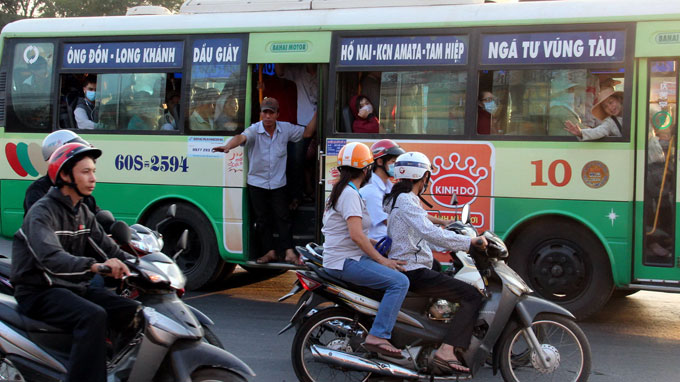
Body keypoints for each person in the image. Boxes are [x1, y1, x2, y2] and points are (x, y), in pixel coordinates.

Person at [11, 142, 140, 382]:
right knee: (92, 316)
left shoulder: (82, 212)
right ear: (65, 175)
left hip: (71, 287)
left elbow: (109, 249)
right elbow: (51, 259)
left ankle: (116, 369)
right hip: (39, 291)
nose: (93, 178)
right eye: (85, 172)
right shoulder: (42, 213)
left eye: (93, 171)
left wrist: (140, 266)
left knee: (131, 310)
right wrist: (93, 266)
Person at [384, 151, 487, 374]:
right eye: (427, 176)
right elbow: (431, 234)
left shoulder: (400, 198)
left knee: (448, 279)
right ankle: (446, 351)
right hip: (413, 270)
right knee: (472, 296)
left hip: (413, 265)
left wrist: (446, 223)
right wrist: (470, 242)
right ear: (422, 177)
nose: (427, 181)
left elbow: (422, 220)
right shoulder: (404, 200)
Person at [321, 142, 409, 358]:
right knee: (399, 282)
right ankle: (378, 335)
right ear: (365, 169)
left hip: (344, 257)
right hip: (346, 261)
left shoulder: (343, 190)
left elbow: (353, 233)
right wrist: (382, 260)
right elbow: (355, 235)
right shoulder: (350, 194)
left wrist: (373, 244)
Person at [212, 97, 318, 264]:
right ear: (260, 114)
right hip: (257, 182)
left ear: (277, 114)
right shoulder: (255, 129)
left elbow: (307, 133)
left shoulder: (285, 129)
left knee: (282, 217)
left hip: (278, 183)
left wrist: (319, 112)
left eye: (271, 113)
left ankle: (289, 252)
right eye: (264, 112)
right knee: (262, 219)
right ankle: (270, 252)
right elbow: (240, 138)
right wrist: (228, 146)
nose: (267, 116)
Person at [24, 130, 97, 214]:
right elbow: (38, 220)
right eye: (85, 171)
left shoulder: (83, 197)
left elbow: (97, 218)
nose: (93, 179)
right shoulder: (38, 191)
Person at [359, 139, 405, 240]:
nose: (396, 166)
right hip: (378, 246)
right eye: (393, 162)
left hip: (390, 241)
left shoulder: (390, 187)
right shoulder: (371, 190)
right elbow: (387, 220)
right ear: (380, 162)